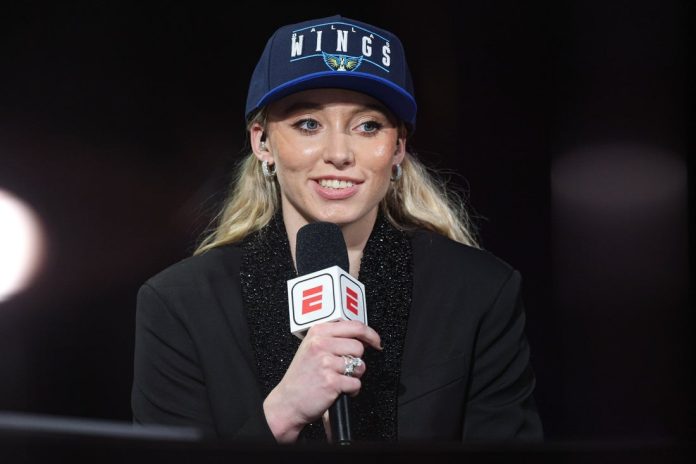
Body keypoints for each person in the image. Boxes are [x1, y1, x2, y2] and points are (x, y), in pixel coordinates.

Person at [131, 14, 543, 443]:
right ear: (262, 142)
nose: (340, 153)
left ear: (398, 147)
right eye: (308, 124)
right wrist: (282, 414)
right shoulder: (180, 305)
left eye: (368, 126)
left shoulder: (478, 291)